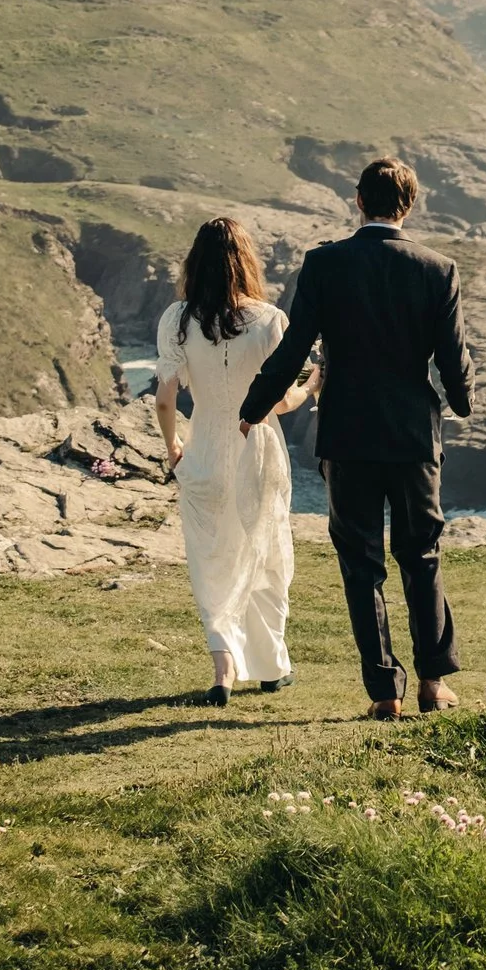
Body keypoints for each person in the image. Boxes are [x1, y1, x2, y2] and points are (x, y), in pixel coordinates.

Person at [240, 157, 471, 720]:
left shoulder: (324, 264)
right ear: (408, 206)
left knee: (360, 564)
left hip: (345, 434)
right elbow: (452, 359)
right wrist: (461, 404)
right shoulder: (438, 268)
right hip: (414, 435)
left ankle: (384, 693)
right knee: (422, 556)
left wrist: (253, 406)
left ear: (358, 201)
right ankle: (433, 684)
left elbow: (292, 353)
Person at [154, 217, 316, 707]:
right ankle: (271, 667)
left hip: (203, 448)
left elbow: (165, 398)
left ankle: (223, 667)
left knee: (213, 558)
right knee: (266, 553)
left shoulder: (176, 320)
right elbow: (277, 401)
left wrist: (173, 449)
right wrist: (311, 388)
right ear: (246, 261)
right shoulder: (269, 320)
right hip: (258, 449)